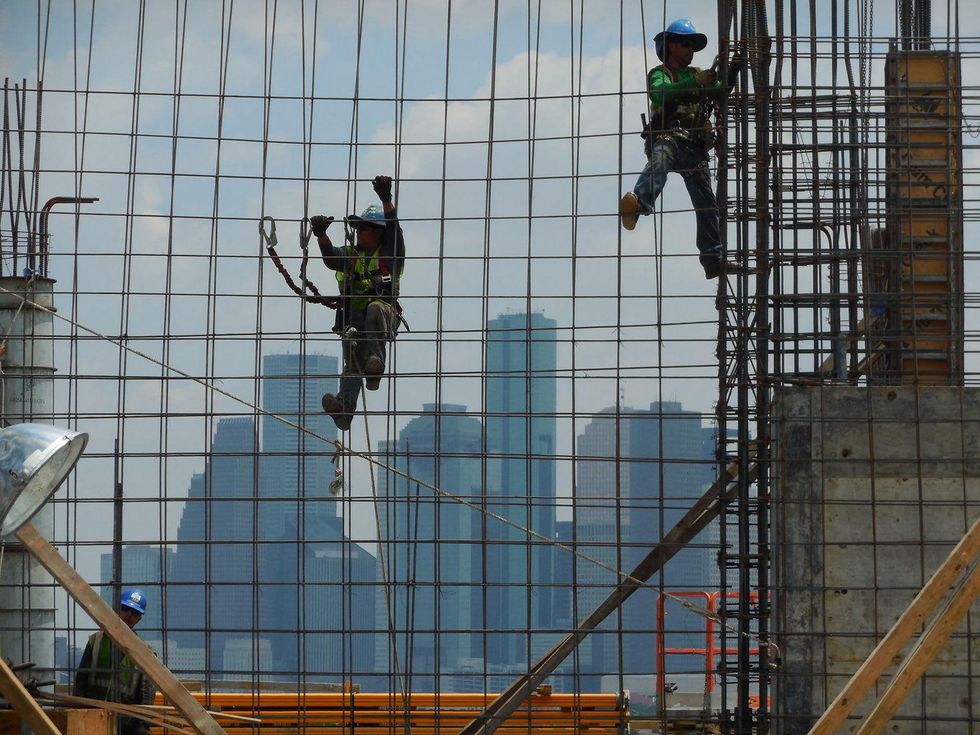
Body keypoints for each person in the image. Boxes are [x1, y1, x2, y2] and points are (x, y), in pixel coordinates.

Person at [618, 18, 744, 279]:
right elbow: (659, 93)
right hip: (669, 136)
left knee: (707, 204)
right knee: (661, 158)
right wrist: (696, 84)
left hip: (694, 147)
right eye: (685, 44)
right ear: (671, 46)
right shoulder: (661, 73)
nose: (690, 50)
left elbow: (719, 91)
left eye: (692, 46)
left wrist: (731, 72)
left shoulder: (696, 73)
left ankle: (712, 258)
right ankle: (640, 201)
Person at [310, 175, 405, 431]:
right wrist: (321, 236)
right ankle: (343, 410)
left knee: (374, 307)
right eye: (358, 228)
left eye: (364, 228)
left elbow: (394, 228)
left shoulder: (389, 254)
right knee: (351, 361)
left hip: (382, 316)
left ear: (378, 233)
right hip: (355, 322)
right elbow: (331, 258)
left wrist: (386, 199)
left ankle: (376, 362)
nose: (359, 232)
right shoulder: (352, 255)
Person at [74, 588, 156, 735]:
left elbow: (146, 694)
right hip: (93, 718)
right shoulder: (96, 641)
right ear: (117, 609)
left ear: (139, 618)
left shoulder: (145, 652)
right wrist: (79, 712)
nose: (129, 615)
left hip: (126, 724)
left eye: (134, 612)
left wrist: (142, 724)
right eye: (125, 609)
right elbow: (81, 681)